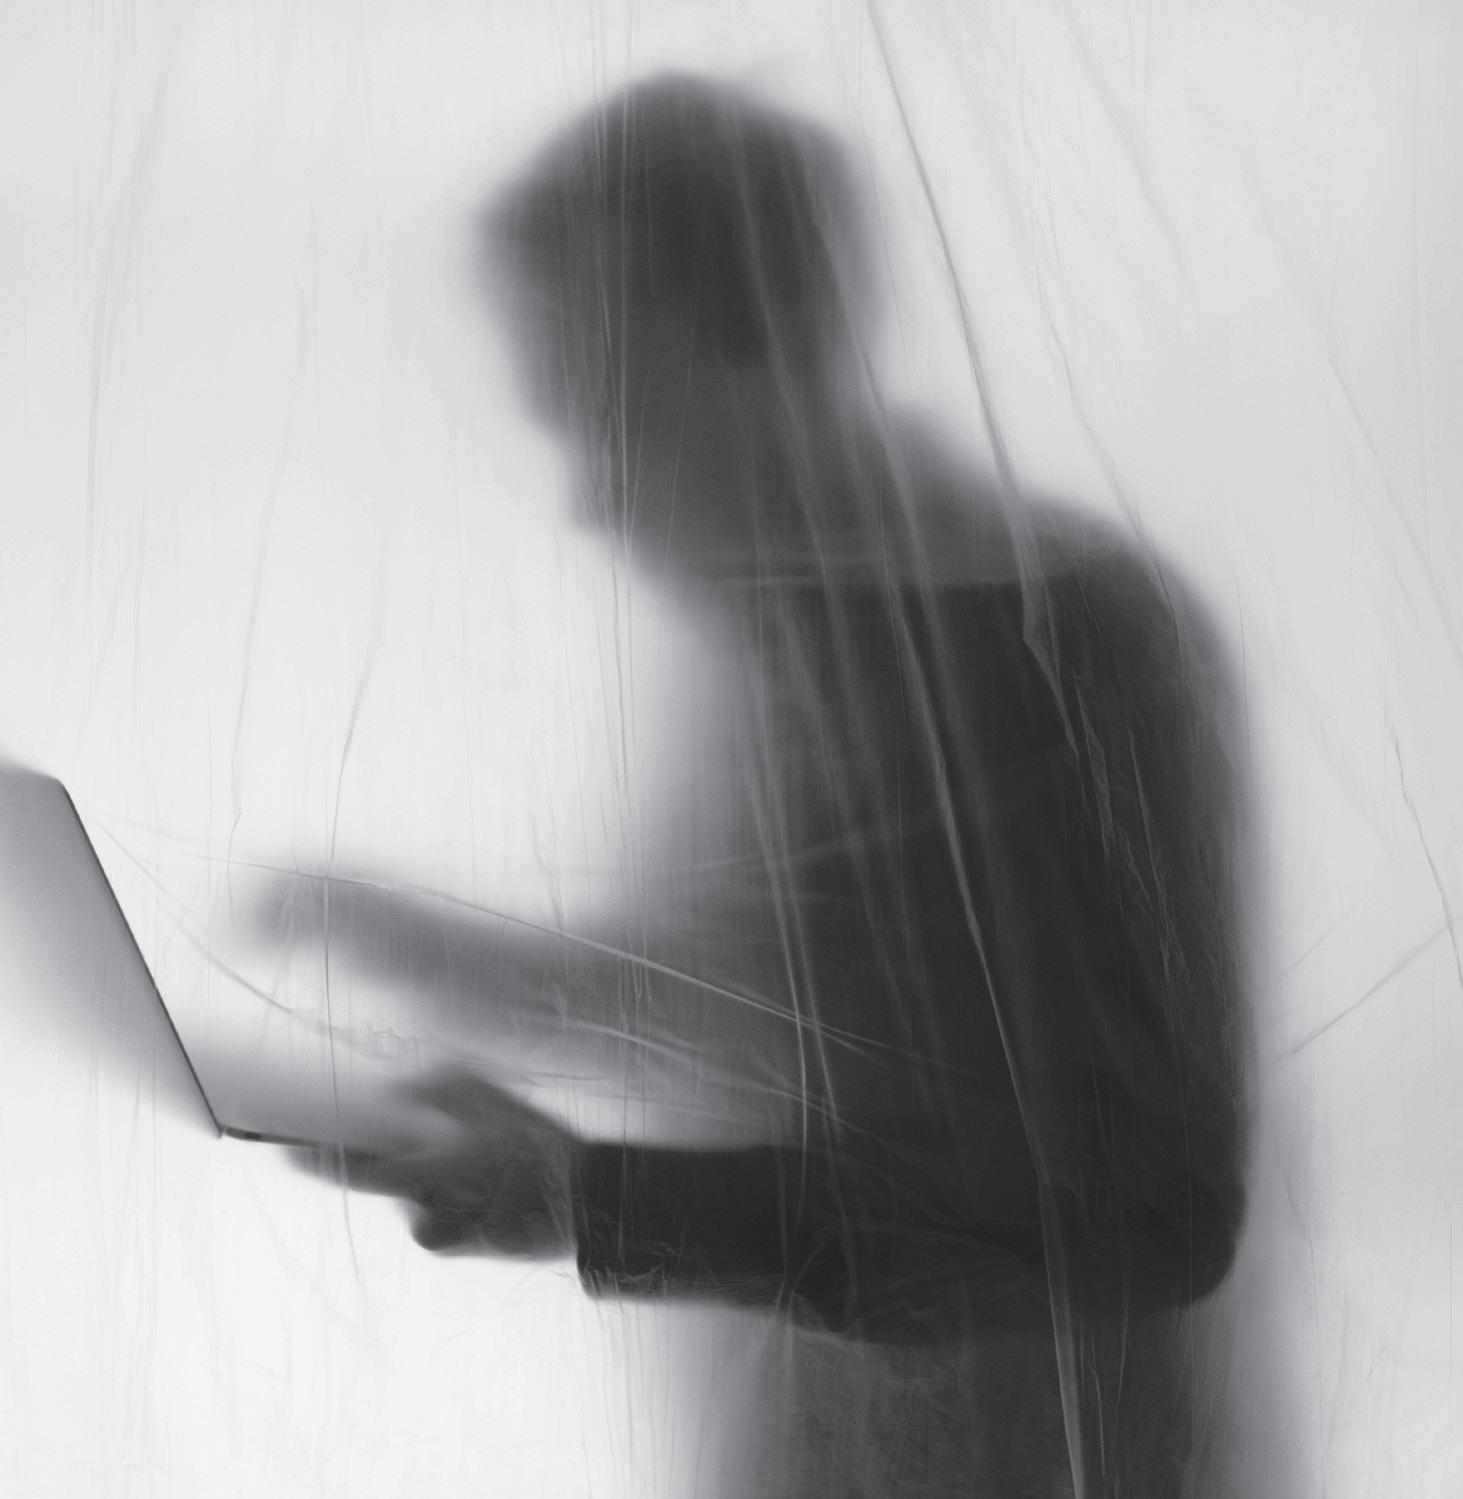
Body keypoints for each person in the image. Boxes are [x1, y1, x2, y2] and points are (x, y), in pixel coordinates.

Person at [256, 74, 1255, 1495]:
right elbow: (746, 1002)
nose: (593, 501)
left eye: (617, 422)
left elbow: (1143, 1207)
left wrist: (593, 1201)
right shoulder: (806, 658)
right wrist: (415, 948)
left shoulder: (1060, 640)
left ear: (777, 363)